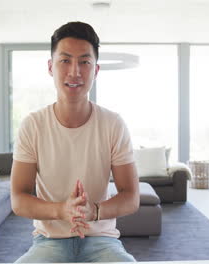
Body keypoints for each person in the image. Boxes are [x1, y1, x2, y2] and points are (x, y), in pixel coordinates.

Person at [11, 21, 139, 263]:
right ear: (51, 66)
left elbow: (131, 196)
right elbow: (18, 198)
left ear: (96, 70)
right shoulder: (33, 125)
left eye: (84, 62)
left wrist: (95, 211)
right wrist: (62, 210)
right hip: (49, 241)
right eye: (65, 60)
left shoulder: (113, 124)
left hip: (103, 240)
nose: (74, 72)